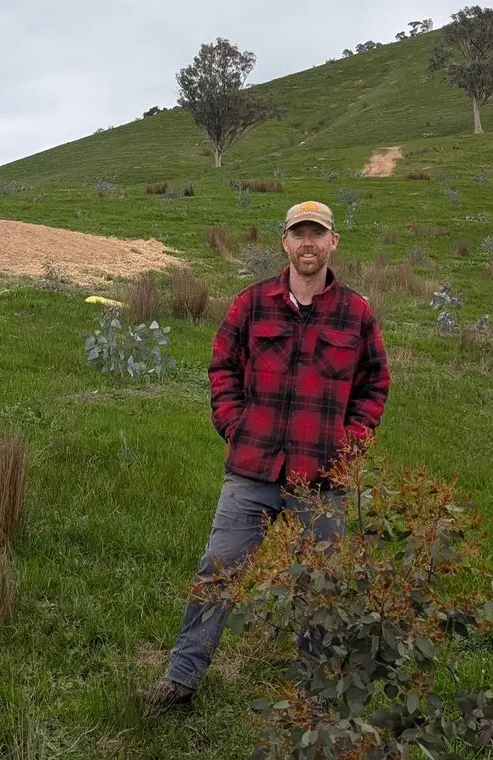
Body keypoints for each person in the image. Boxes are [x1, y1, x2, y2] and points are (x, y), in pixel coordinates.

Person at [142, 200, 391, 711]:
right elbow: (222, 369)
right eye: (299, 233)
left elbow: (374, 384)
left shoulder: (356, 312)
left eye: (317, 234)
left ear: (332, 243)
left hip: (322, 478)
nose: (308, 243)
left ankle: (316, 696)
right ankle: (181, 681)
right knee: (218, 573)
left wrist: (353, 440)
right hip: (253, 470)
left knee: (321, 586)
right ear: (284, 241)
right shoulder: (252, 304)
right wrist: (234, 426)